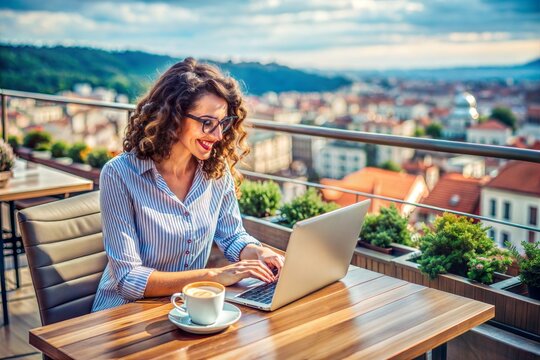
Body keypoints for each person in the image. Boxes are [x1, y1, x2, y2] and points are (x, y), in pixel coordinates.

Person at [92, 57, 284, 312]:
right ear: (172, 116)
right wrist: (214, 277)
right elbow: (129, 280)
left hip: (186, 309)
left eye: (223, 124)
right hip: (123, 315)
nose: (217, 136)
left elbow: (232, 236)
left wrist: (258, 254)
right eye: (207, 123)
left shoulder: (215, 170)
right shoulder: (119, 174)